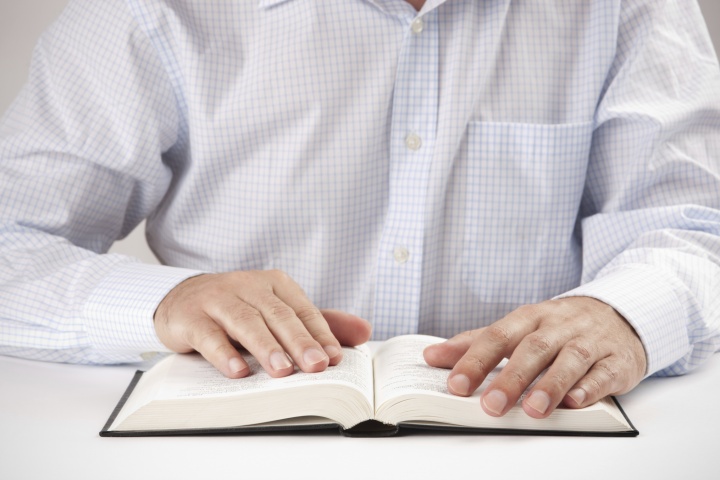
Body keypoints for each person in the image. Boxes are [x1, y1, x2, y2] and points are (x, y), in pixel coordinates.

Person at [1, 0, 719, 420]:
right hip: (227, 450)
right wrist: (166, 302)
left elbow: (694, 226)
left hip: (542, 442)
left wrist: (625, 314)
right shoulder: (144, 13)